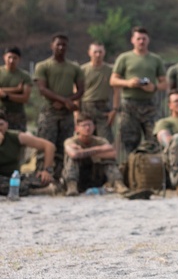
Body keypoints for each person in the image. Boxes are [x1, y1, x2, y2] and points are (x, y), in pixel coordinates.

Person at [34, 34, 84, 179]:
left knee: (65, 146)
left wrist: (66, 102)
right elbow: (42, 89)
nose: (61, 47)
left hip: (66, 113)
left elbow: (81, 90)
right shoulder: (43, 66)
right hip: (49, 111)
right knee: (44, 145)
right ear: (52, 46)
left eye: (64, 45)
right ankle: (41, 177)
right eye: (58, 44)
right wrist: (64, 100)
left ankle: (61, 178)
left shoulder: (74, 67)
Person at [111, 27, 167, 155]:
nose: (141, 41)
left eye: (144, 39)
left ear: (148, 40)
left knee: (154, 139)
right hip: (129, 105)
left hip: (149, 105)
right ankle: (131, 170)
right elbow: (113, 80)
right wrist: (128, 83)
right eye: (138, 38)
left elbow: (165, 83)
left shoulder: (155, 59)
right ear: (132, 40)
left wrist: (154, 87)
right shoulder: (124, 58)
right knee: (129, 141)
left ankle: (152, 169)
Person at [63, 114, 127, 196]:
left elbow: (113, 154)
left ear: (94, 127)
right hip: (78, 177)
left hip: (95, 176)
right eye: (84, 126)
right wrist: (98, 150)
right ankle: (72, 187)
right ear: (77, 128)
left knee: (108, 160)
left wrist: (84, 152)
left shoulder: (100, 141)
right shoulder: (70, 141)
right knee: (72, 160)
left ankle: (118, 184)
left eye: (89, 125)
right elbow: (74, 154)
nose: (87, 128)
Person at [0, 111, 55, 197]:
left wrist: (47, 170)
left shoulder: (15, 136)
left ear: (6, 125)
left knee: (42, 180)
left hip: (14, 177)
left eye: (1, 125)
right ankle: (32, 191)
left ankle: (26, 188)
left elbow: (49, 146)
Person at [79, 42, 118, 142]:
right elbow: (76, 91)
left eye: (100, 52)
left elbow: (116, 91)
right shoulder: (82, 70)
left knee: (105, 140)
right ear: (89, 53)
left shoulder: (110, 70)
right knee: (84, 139)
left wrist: (114, 109)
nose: (98, 54)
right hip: (86, 107)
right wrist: (76, 112)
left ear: (104, 52)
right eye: (95, 52)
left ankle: (106, 158)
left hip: (103, 107)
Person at [0, 47, 32, 133]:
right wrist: (15, 89)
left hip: (17, 115)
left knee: (18, 141)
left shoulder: (24, 76)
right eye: (9, 57)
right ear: (4, 57)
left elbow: (25, 98)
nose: (11, 60)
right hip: (0, 113)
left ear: (19, 59)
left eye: (15, 58)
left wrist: (6, 96)